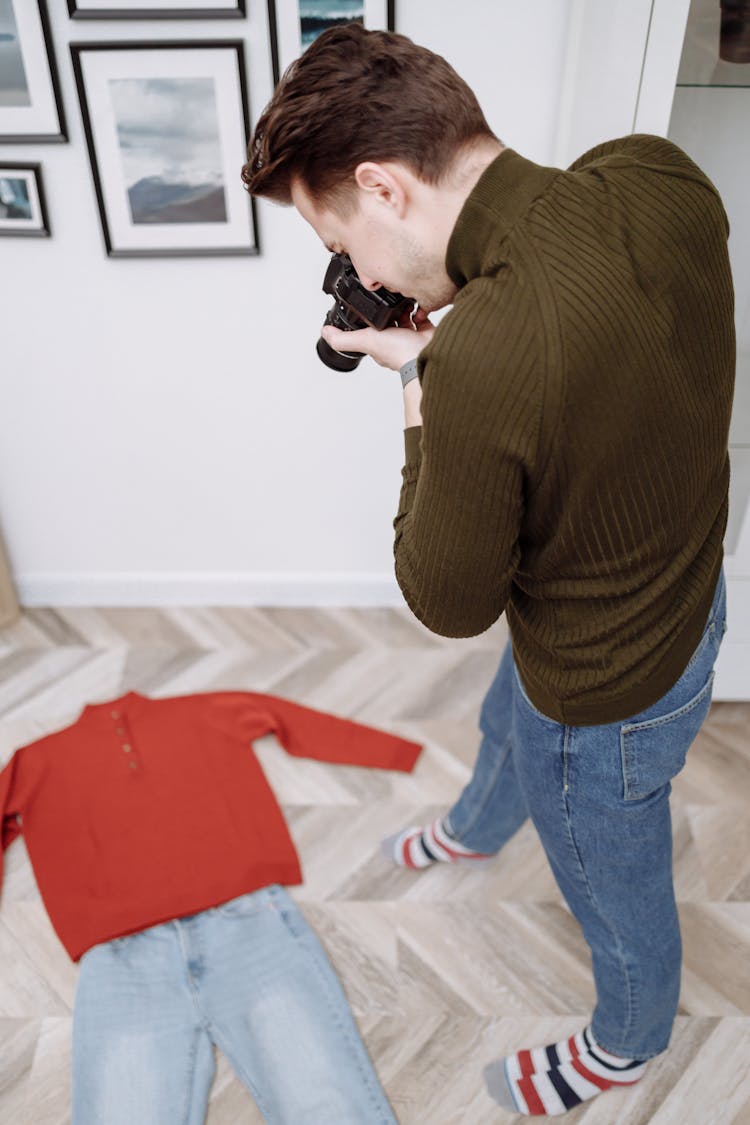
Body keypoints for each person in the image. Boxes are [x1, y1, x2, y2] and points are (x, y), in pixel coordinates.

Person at [242, 23, 735, 1118]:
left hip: (603, 690)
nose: (358, 278)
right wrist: (466, 330)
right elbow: (601, 343)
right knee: (511, 716)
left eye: (343, 242)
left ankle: (628, 1039)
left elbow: (450, 602)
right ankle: (475, 825)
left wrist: (423, 387)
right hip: (690, 595)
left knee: (615, 876)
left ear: (383, 188)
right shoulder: (658, 176)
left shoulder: (479, 364)